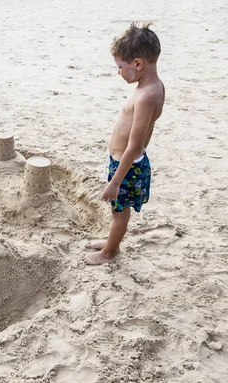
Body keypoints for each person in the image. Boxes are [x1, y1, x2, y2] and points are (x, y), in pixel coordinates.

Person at [85, 23, 165, 265]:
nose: (118, 72)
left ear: (138, 64)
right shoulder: (148, 87)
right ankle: (111, 242)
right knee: (116, 211)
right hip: (125, 161)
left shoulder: (148, 95)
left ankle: (109, 253)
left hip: (126, 166)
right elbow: (146, 132)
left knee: (120, 213)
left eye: (120, 67)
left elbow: (134, 144)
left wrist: (115, 182)